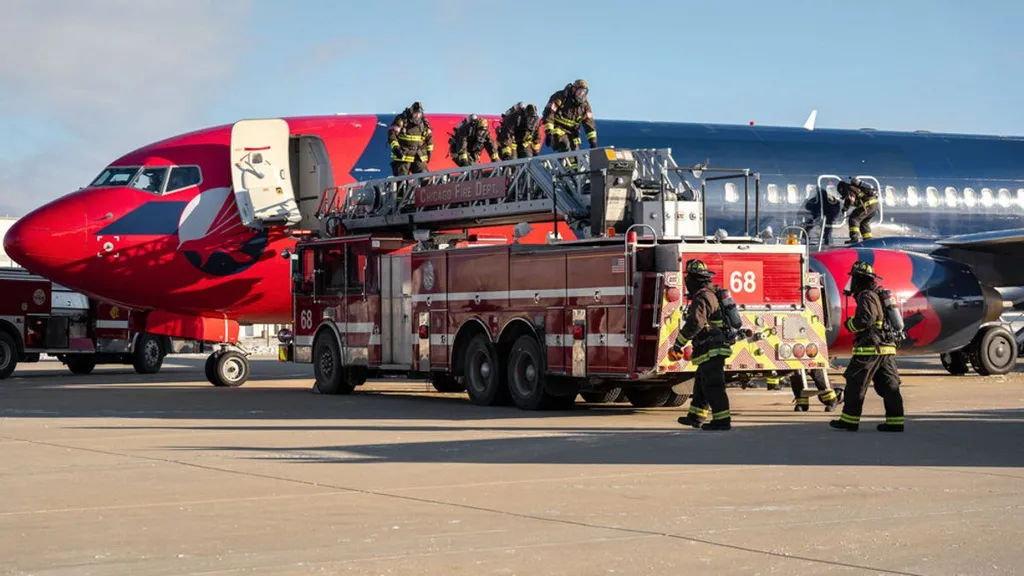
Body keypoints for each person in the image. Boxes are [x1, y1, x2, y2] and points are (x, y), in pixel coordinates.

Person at [830, 261, 905, 432]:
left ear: (859, 278)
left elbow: (867, 319)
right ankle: (895, 422)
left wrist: (850, 325)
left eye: (854, 278)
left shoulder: (866, 295)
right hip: (886, 348)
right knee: (890, 386)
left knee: (855, 384)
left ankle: (849, 420)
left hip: (870, 348)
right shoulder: (878, 294)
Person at [669, 259, 734, 431]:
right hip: (709, 348)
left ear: (694, 279)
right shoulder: (710, 293)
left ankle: (722, 420)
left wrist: (678, 344)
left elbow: (695, 323)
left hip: (711, 348)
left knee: (713, 385)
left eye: (689, 278)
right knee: (701, 384)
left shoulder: (702, 296)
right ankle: (695, 416)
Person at [542, 79, 597, 155]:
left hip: (572, 134)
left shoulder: (585, 105)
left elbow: (589, 123)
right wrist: (549, 133)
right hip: (557, 130)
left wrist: (592, 142)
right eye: (579, 91)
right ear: (574, 89)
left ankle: (572, 167)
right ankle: (565, 165)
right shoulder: (560, 97)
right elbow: (549, 114)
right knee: (566, 146)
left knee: (577, 156)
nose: (581, 94)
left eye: (584, 92)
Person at [387, 101, 433, 177]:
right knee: (402, 182)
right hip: (403, 156)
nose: (417, 116)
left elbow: (429, 137)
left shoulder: (424, 123)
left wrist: (429, 150)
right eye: (415, 113)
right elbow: (392, 134)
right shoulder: (401, 120)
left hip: (418, 155)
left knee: (425, 177)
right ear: (411, 111)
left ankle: (425, 188)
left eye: (419, 113)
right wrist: (396, 148)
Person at [839, 177, 879, 244]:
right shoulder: (856, 188)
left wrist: (845, 208)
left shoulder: (849, 188)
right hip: (874, 206)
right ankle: (868, 240)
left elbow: (850, 200)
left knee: (854, 218)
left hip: (867, 205)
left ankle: (854, 237)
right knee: (864, 223)